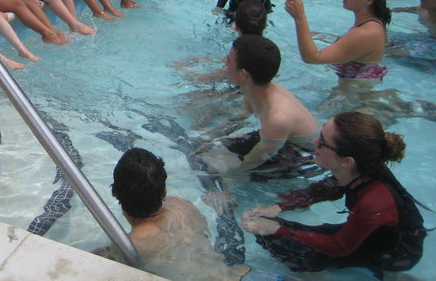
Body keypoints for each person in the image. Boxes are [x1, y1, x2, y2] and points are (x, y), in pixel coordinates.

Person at [241, 112, 425, 277]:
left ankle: (319, 276)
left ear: (347, 161)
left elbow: (340, 247)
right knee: (273, 229)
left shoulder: (373, 202)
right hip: (376, 236)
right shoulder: (362, 167)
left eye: (322, 142)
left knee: (280, 239)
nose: (315, 143)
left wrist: (275, 229)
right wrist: (279, 206)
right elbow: (326, 189)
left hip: (395, 254)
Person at [106, 148, 288, 280]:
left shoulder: (130, 245)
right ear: (164, 192)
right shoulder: (182, 207)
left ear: (114, 193)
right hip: (246, 276)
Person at [196, 35, 319, 175]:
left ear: (243, 74)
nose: (225, 64)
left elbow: (253, 161)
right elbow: (241, 118)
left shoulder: (277, 118)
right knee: (205, 153)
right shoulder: (256, 90)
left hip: (308, 156)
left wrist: (230, 178)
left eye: (228, 61)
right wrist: (208, 136)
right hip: (282, 140)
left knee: (214, 172)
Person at [283, 0, 391, 82]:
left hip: (354, 94)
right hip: (355, 86)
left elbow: (311, 58)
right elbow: (354, 46)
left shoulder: (365, 33)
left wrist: (299, 16)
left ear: (369, 0)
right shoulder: (372, 25)